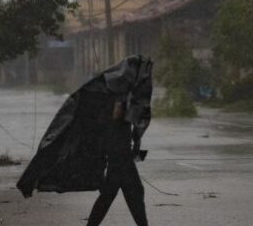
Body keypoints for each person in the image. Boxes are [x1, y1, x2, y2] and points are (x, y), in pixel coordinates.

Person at [16, 56, 153, 226]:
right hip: (119, 153)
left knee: (116, 194)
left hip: (117, 151)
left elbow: (133, 119)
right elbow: (136, 118)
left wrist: (134, 142)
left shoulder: (109, 90)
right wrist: (135, 141)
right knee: (131, 192)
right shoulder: (119, 97)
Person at [87, 96, 148, 226]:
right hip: (120, 161)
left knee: (108, 197)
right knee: (133, 194)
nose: (118, 108)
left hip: (120, 160)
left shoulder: (121, 108)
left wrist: (136, 149)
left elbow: (136, 128)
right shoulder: (115, 106)